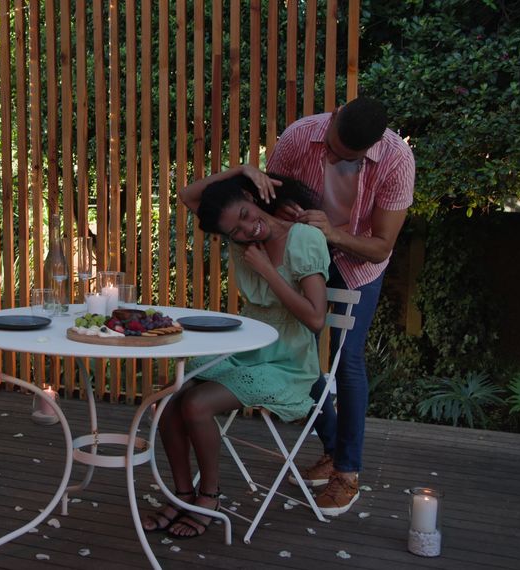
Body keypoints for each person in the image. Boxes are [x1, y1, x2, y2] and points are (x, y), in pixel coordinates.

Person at [141, 171, 329, 539]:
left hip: (287, 362)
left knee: (196, 404)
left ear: (252, 197)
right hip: (247, 350)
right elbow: (187, 195)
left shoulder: (303, 238)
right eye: (235, 232)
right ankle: (182, 495)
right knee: (167, 398)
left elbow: (316, 319)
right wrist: (242, 170)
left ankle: (209, 496)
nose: (246, 230)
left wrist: (267, 271)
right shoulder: (239, 240)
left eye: (245, 214)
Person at [250, 97, 416, 516]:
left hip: (358, 264)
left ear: (370, 148)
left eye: (346, 157)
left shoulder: (397, 161)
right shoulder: (298, 135)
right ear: (336, 112)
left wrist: (333, 233)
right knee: (294, 352)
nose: (333, 156)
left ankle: (348, 471)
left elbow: (381, 247)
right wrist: (281, 208)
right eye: (332, 146)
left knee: (348, 361)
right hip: (303, 260)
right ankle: (331, 447)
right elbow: (268, 196)